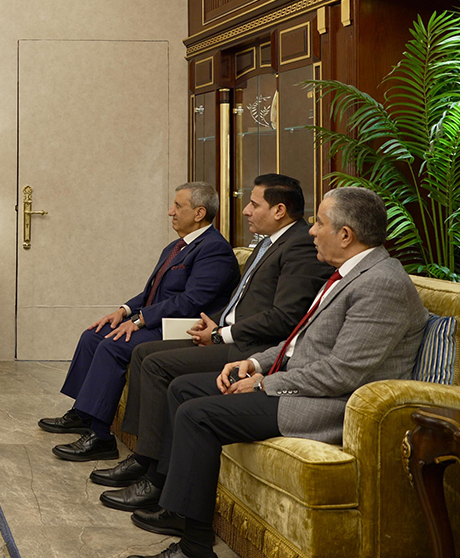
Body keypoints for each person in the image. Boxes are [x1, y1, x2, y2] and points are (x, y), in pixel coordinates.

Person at [124, 187, 427, 558]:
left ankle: (194, 547)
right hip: (303, 384)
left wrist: (265, 383)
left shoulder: (381, 283)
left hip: (326, 404)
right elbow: (299, 342)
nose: (311, 230)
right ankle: (175, 508)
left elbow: (342, 374)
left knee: (197, 414)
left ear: (346, 235)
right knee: (184, 389)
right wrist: (254, 363)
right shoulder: (349, 273)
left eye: (319, 223)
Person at [95, 175, 334, 510]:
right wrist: (216, 320)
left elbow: (284, 316)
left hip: (252, 347)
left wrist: (223, 334)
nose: (246, 210)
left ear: (279, 210)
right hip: (228, 334)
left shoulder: (299, 247)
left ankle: (152, 469)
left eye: (254, 204)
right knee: (144, 352)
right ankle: (143, 456)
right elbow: (241, 301)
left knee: (156, 364)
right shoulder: (267, 243)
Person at [40, 182, 239, 462]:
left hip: (183, 327)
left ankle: (101, 437)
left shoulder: (214, 249)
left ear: (199, 213)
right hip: (159, 320)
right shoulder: (176, 246)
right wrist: (124, 311)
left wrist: (141, 320)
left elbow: (191, 301)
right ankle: (83, 414)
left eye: (178, 206)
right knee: (93, 335)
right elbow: (151, 292)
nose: (170, 211)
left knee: (113, 345)